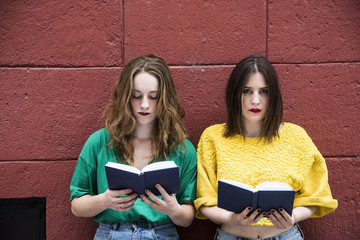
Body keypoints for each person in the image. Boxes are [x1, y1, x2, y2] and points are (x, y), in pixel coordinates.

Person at [195, 55, 338, 240]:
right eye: (247, 91)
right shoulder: (213, 138)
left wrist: (293, 217)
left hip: (285, 235)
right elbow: (204, 201)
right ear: (234, 94)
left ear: (274, 96)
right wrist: (230, 217)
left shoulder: (296, 137)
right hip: (231, 235)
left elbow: (316, 196)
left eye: (264, 91)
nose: (255, 100)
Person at [70, 55, 197, 240]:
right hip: (111, 232)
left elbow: (187, 218)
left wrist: (174, 209)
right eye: (136, 96)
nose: (144, 104)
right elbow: (76, 206)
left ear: (164, 99)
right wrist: (104, 201)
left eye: (153, 97)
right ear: (125, 97)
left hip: (161, 233)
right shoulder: (99, 142)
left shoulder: (182, 149)